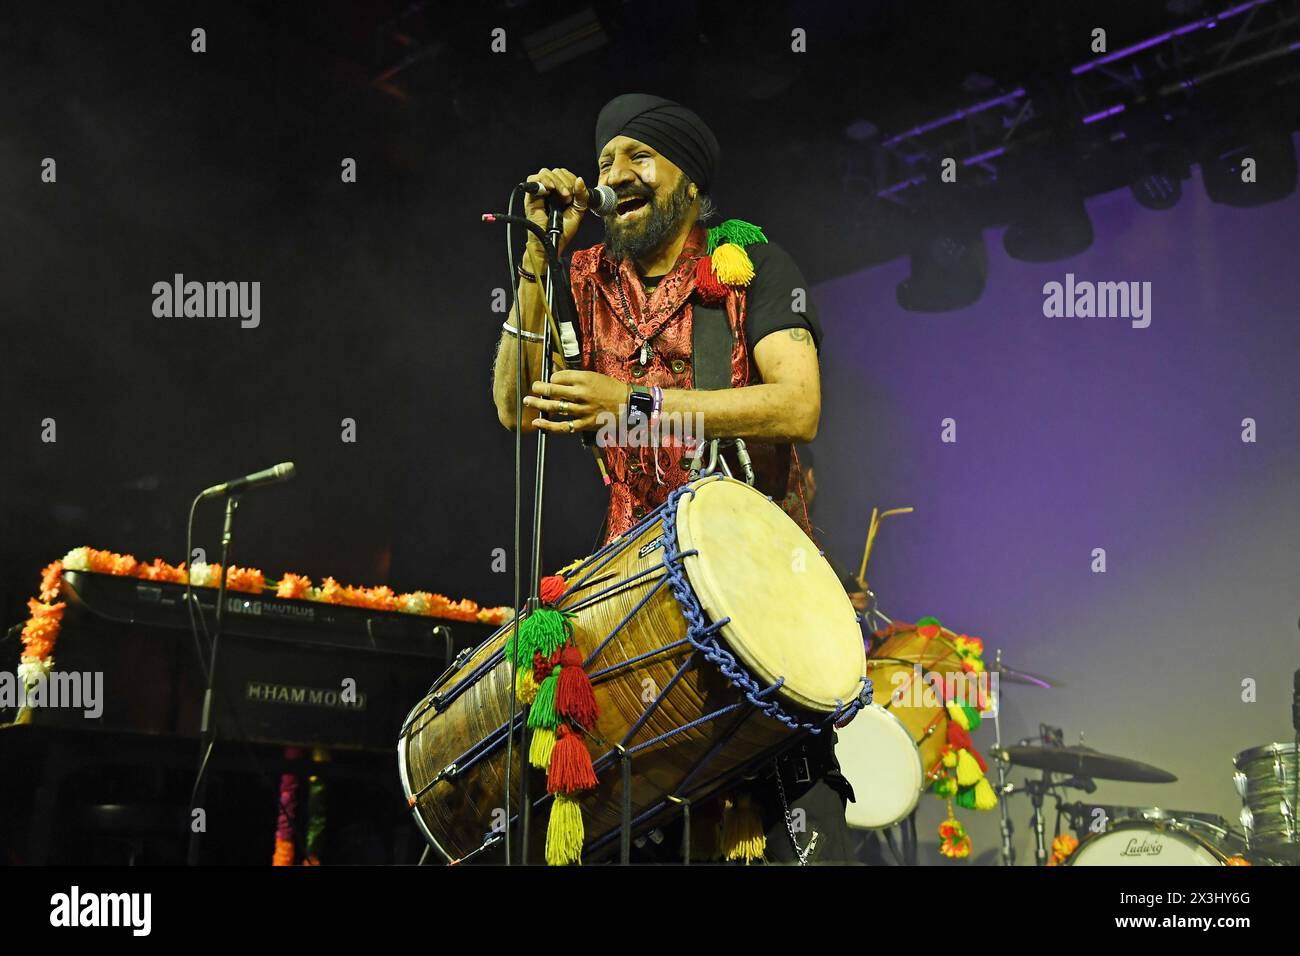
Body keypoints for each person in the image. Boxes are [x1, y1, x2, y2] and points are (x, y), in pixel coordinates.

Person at [492, 93, 855, 863]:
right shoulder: (584, 278)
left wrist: (631, 401)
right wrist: (535, 258)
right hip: (634, 591)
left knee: (782, 832)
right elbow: (513, 408)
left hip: (760, 594)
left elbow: (799, 404)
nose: (613, 174)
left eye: (637, 157)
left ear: (690, 181)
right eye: (602, 162)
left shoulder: (748, 263)